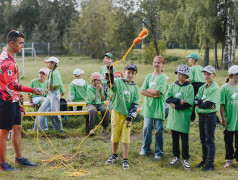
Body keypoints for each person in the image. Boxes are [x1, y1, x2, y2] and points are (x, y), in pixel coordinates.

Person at [0, 30, 42, 172]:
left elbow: (12, 83)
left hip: (14, 99)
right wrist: (31, 90)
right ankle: (2, 163)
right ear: (12, 43)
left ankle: (19, 158)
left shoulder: (11, 57)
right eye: (21, 43)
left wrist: (20, 97)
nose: (22, 46)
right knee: (4, 132)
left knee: (17, 128)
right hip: (5, 100)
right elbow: (11, 85)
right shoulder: (6, 61)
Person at [105, 64, 140, 170]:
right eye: (128, 72)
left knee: (125, 138)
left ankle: (125, 159)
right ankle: (114, 155)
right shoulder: (118, 82)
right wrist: (109, 73)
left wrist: (130, 117)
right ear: (124, 72)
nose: (130, 75)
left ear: (135, 75)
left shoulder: (135, 88)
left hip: (127, 117)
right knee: (115, 136)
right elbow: (110, 85)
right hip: (116, 113)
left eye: (132, 73)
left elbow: (135, 104)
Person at [166, 65, 194, 169]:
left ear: (186, 75)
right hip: (174, 119)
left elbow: (188, 103)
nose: (178, 75)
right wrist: (178, 102)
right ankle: (176, 157)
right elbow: (167, 98)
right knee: (174, 139)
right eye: (177, 73)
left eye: (181, 74)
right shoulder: (173, 85)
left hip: (183, 119)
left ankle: (186, 159)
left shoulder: (189, 87)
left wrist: (176, 106)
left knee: (184, 140)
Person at [139, 56, 167, 160]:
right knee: (147, 128)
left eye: (158, 63)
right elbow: (142, 90)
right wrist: (153, 95)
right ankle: (145, 149)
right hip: (148, 107)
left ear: (162, 65)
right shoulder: (149, 76)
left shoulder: (163, 77)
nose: (156, 64)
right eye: (154, 62)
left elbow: (158, 92)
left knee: (158, 130)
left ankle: (158, 152)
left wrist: (149, 90)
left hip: (158, 108)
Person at [194, 65, 220, 171]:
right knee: (203, 140)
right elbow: (195, 100)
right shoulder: (202, 88)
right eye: (204, 74)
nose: (206, 76)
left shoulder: (215, 88)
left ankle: (210, 164)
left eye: (208, 74)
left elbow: (208, 104)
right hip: (201, 116)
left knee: (209, 140)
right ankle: (204, 160)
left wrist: (203, 103)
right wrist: (202, 102)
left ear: (214, 75)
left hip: (210, 117)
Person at [34, 57, 64, 132]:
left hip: (54, 94)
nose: (47, 64)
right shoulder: (50, 72)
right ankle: (39, 130)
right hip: (50, 94)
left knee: (55, 114)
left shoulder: (55, 72)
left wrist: (50, 87)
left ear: (54, 64)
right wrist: (48, 89)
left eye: (49, 62)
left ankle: (59, 131)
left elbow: (58, 84)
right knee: (41, 110)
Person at [220, 65, 238, 168]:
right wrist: (223, 118)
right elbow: (222, 105)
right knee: (228, 140)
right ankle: (229, 160)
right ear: (235, 75)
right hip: (229, 118)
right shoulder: (224, 88)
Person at [67, 68, 89, 134]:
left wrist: (68, 101)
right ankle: (80, 122)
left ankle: (73, 122)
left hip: (75, 101)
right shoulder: (85, 83)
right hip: (83, 100)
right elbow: (88, 92)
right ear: (80, 74)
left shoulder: (72, 84)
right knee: (80, 112)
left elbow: (72, 95)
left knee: (74, 113)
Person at [186, 53, 205, 122]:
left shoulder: (192, 68)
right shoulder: (201, 67)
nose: (188, 60)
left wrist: (183, 80)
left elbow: (190, 79)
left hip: (195, 86)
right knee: (202, 101)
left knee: (193, 101)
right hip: (203, 85)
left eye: (189, 58)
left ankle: (192, 118)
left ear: (193, 60)